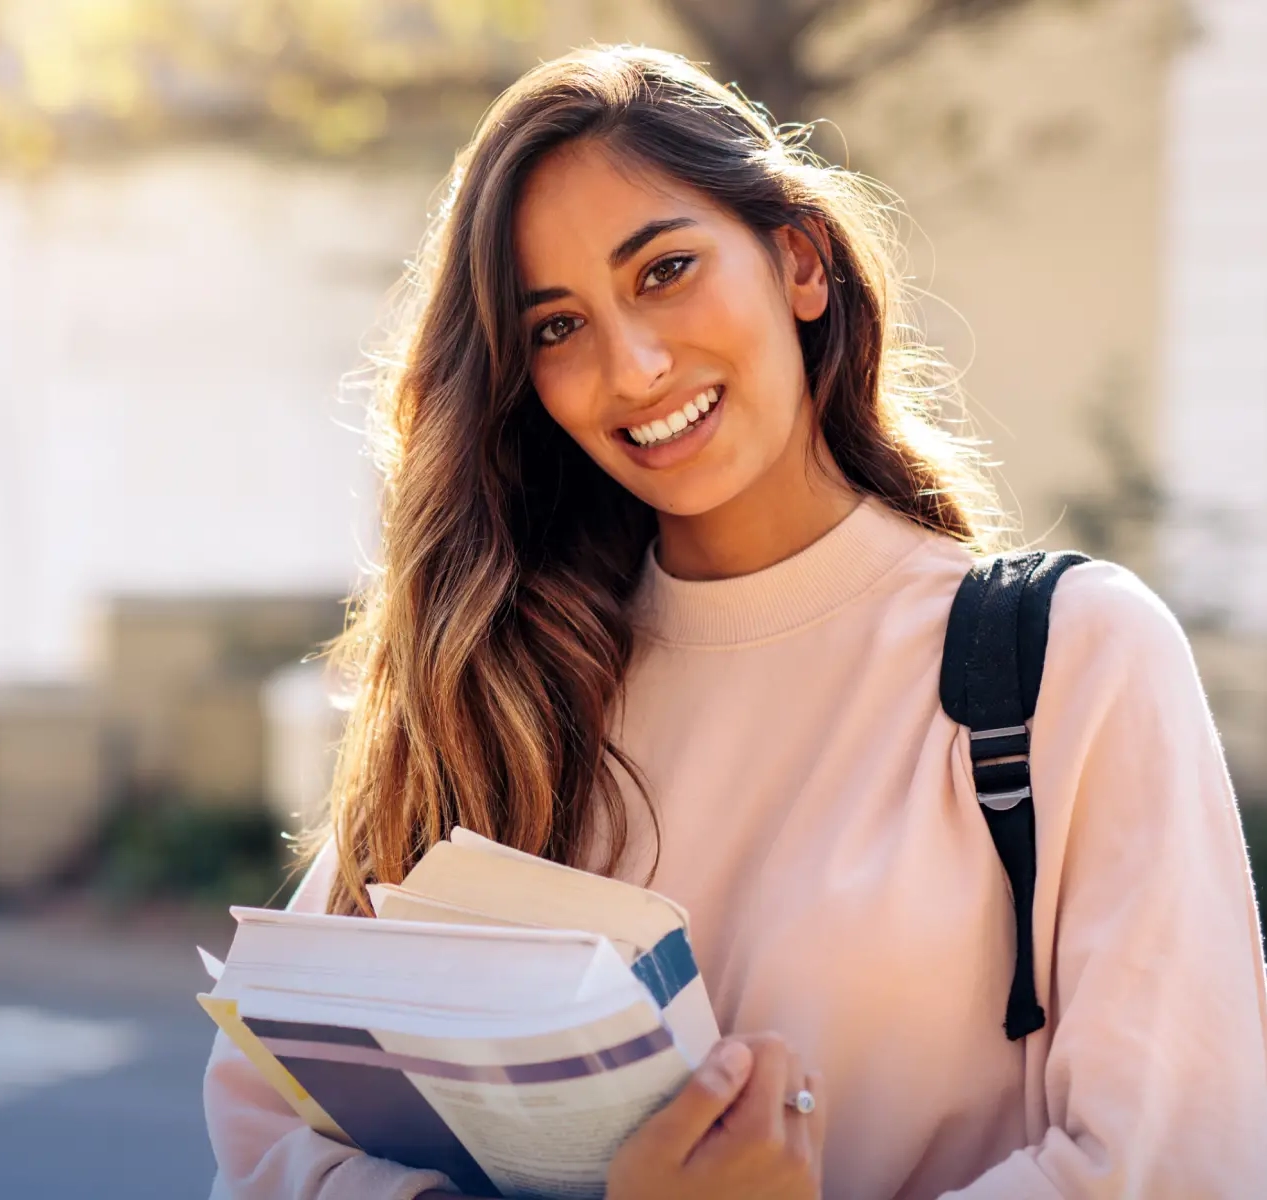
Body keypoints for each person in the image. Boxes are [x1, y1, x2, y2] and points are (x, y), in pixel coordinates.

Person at [203, 44, 1267, 1199]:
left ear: (798, 260)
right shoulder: (502, 687)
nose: (636, 367)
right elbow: (264, 1140)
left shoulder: (1072, 660)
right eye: (557, 327)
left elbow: (1177, 1165)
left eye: (664, 270)